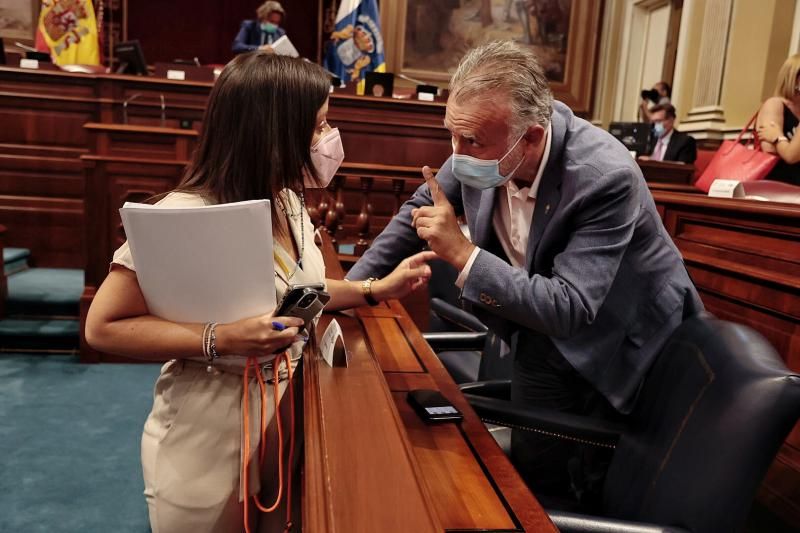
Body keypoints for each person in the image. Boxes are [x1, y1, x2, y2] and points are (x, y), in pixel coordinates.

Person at [84, 52, 435, 533]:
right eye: (318, 126)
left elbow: (299, 289)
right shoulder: (183, 214)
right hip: (209, 433)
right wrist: (219, 338)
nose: (328, 140)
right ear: (273, 132)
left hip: (287, 415)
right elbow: (103, 327)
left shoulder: (286, 199)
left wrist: (374, 288)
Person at [347, 40, 703, 508]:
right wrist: (346, 292)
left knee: (589, 484)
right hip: (542, 329)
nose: (457, 155)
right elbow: (417, 211)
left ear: (531, 138)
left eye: (471, 142)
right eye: (452, 136)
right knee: (534, 472)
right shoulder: (482, 140)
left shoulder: (603, 175)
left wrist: (464, 254)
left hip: (619, 337)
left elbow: (571, 307)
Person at [756, 53, 800, 186]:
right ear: (794, 78)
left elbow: (791, 155)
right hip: (777, 184)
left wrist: (777, 137)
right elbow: (769, 152)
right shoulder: (775, 104)